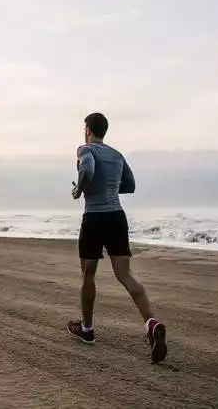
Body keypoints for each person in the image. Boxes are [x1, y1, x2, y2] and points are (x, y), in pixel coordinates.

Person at [67, 112, 167, 364]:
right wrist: (109, 185)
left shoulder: (85, 149)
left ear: (88, 129)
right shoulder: (117, 155)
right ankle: (151, 323)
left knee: (88, 275)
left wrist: (79, 189)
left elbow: (88, 168)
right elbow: (130, 185)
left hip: (95, 218)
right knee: (125, 274)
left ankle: (87, 329)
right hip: (117, 217)